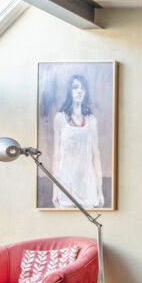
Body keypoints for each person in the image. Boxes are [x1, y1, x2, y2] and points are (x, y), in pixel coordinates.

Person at [51, 74, 104, 208]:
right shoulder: (60, 118)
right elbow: (57, 157)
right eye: (75, 87)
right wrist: (55, 191)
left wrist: (99, 192)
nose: (79, 91)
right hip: (66, 183)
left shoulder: (92, 121)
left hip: (87, 184)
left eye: (82, 88)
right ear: (70, 91)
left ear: (86, 92)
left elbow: (96, 157)